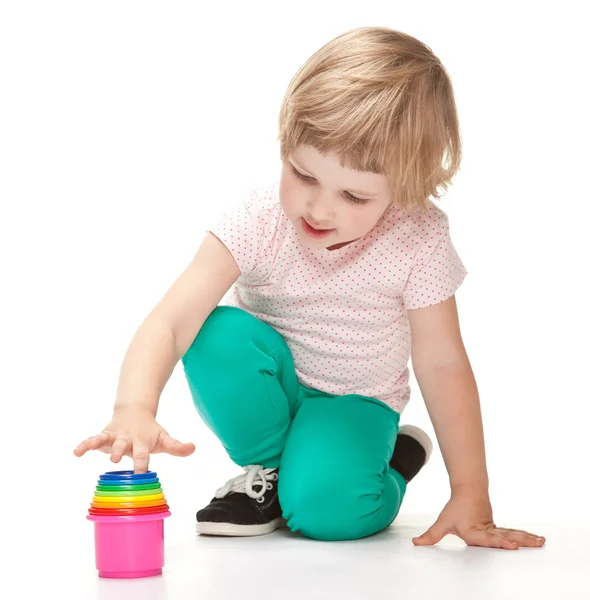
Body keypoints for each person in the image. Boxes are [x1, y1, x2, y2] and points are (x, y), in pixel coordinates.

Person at [74, 26, 546, 549]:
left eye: (354, 195)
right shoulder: (258, 219)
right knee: (213, 331)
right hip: (270, 388)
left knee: (327, 514)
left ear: (405, 188)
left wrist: (470, 491)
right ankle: (276, 471)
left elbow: (442, 362)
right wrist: (133, 407)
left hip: (354, 402)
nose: (319, 210)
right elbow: (170, 321)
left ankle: (386, 468)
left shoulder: (418, 238)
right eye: (303, 174)